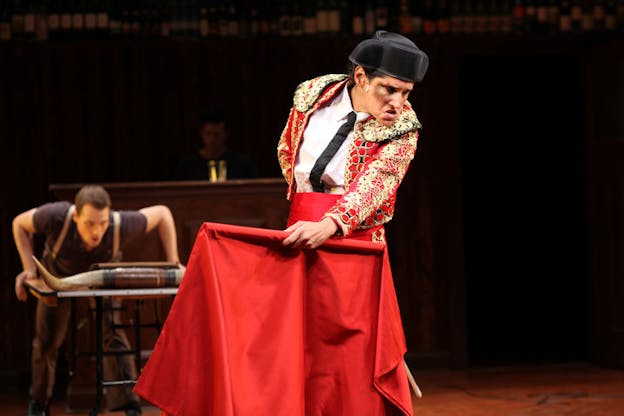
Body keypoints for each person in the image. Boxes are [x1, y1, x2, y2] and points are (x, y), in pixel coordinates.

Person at [277, 30, 429, 413]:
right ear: (360, 77)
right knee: (298, 345)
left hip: (354, 243)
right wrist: (304, 210)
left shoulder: (402, 128)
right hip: (301, 229)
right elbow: (287, 149)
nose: (398, 103)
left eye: (406, 93)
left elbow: (376, 185)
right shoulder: (314, 95)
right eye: (389, 90)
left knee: (349, 353)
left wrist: (328, 223)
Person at [12, 185, 182, 416]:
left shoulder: (120, 223)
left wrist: (174, 261)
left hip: (102, 278)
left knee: (113, 334)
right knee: (47, 341)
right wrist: (29, 270)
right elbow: (19, 224)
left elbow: (162, 213)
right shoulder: (55, 215)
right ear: (75, 216)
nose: (97, 231)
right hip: (58, 277)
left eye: (102, 223)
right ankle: (38, 403)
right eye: (90, 223)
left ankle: (129, 405)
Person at [173, 111, 257, 181]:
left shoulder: (241, 164)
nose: (212, 139)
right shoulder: (188, 165)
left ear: (226, 134)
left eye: (217, 134)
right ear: (201, 133)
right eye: (208, 134)